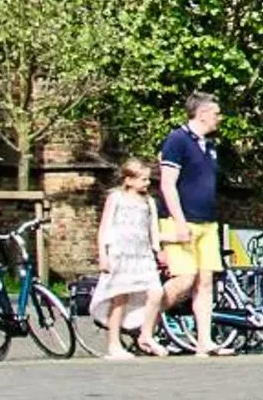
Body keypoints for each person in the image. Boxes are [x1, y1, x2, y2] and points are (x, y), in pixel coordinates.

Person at [157, 93, 227, 355]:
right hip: (183, 222)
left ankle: (204, 341)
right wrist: (179, 221)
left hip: (207, 222)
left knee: (206, 282)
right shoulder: (177, 140)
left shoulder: (209, 146)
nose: (219, 118)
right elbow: (167, 184)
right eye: (216, 113)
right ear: (201, 114)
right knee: (184, 281)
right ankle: (144, 322)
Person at [92, 159, 165, 359]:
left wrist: (158, 249)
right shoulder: (116, 198)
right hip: (121, 253)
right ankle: (113, 344)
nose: (147, 183)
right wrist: (103, 255)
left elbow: (153, 229)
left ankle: (146, 334)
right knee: (120, 297)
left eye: (148, 180)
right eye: (143, 179)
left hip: (142, 254)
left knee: (156, 292)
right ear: (129, 180)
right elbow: (105, 227)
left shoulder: (148, 202)